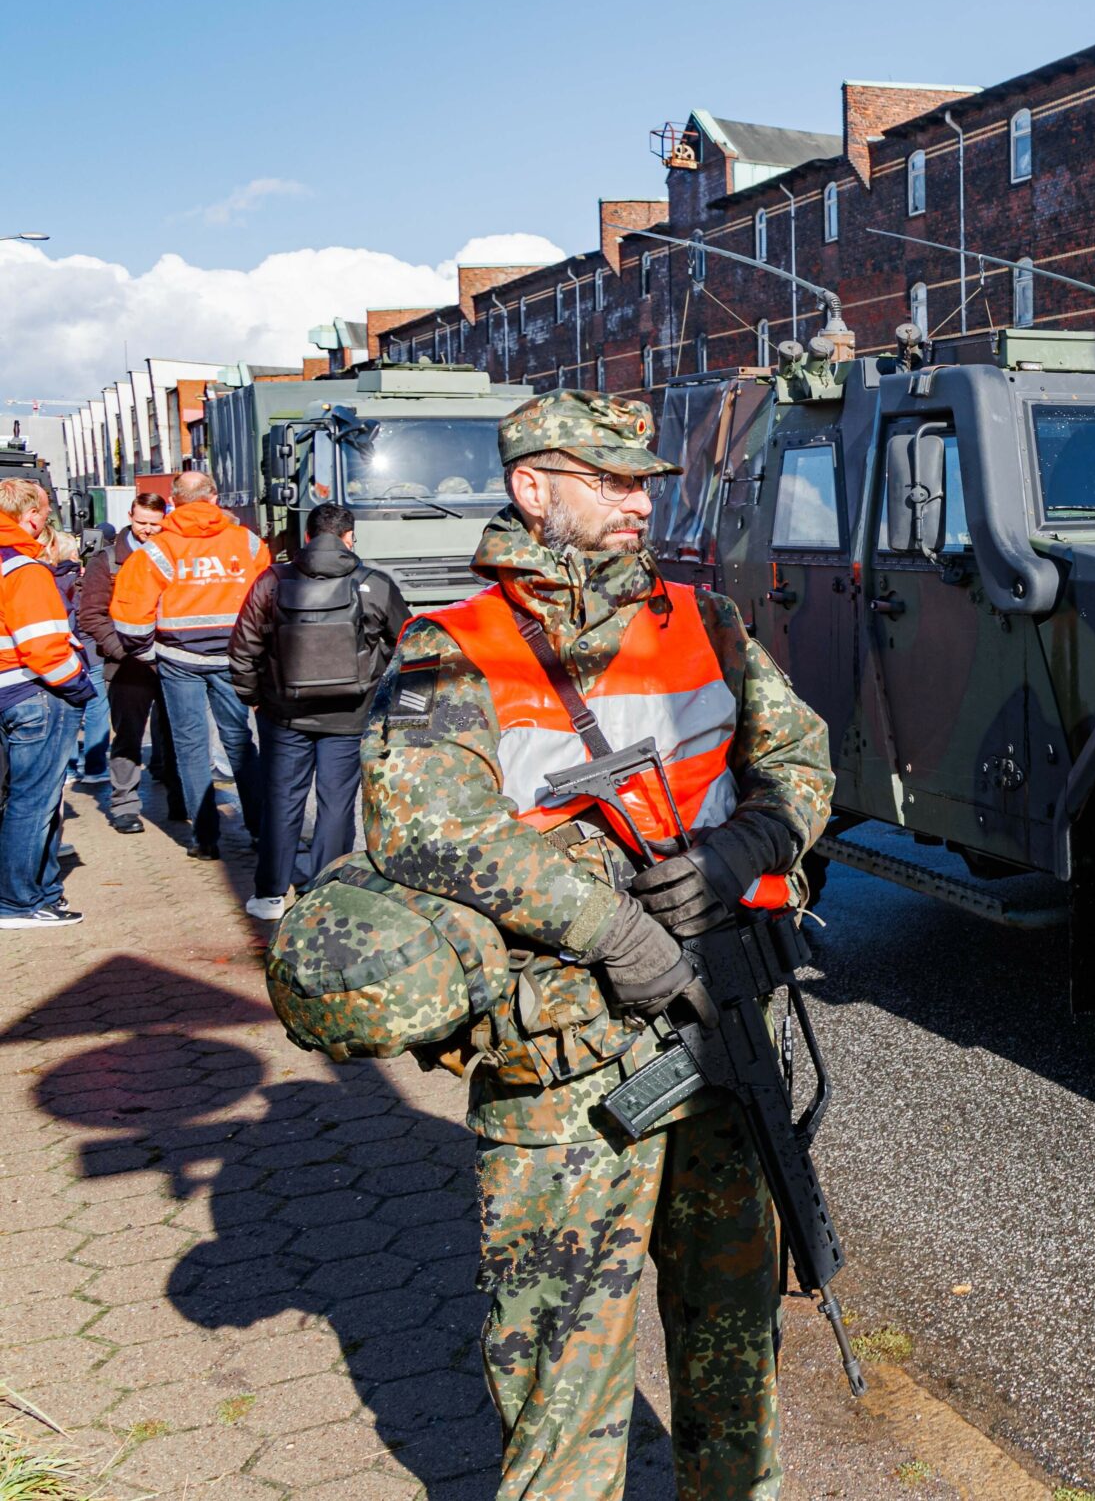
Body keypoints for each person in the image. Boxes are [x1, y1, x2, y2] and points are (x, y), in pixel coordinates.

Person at [356, 390, 830, 1498]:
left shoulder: (704, 620)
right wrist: (609, 927)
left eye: (642, 484)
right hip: (565, 1070)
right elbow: (422, 830)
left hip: (720, 1034)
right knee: (561, 1371)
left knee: (734, 1335)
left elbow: (799, 758)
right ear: (534, 489)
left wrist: (742, 847)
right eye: (609, 481)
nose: (636, 503)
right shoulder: (456, 647)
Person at [228, 503, 408, 921]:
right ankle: (327, 889)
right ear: (349, 537)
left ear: (308, 537)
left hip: (283, 715)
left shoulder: (272, 581)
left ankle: (271, 893)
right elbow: (407, 643)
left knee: (281, 800)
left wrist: (254, 696)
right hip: (350, 715)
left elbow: (243, 649)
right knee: (336, 804)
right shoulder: (374, 583)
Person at [109, 471, 267, 859]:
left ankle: (206, 839)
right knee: (240, 742)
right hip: (232, 657)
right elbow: (268, 600)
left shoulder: (157, 549)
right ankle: (262, 830)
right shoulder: (247, 542)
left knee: (190, 746)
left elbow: (130, 616)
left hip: (178, 660)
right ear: (214, 498)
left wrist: (149, 655)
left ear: (174, 502)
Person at [0, 479, 95, 927]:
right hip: (33, 694)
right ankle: (21, 900)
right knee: (33, 803)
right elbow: (44, 649)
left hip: (6, 690)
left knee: (16, 800)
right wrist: (78, 686)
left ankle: (31, 892)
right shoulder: (23, 568)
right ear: (32, 517)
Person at [76, 492, 178, 834]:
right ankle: (125, 803)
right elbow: (90, 614)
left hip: (170, 660)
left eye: (155, 524)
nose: (148, 530)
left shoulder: (175, 553)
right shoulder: (107, 560)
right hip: (127, 665)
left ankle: (179, 798)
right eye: (142, 523)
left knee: (176, 732)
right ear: (131, 517)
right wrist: (120, 649)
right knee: (129, 735)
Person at [48, 529, 109, 791]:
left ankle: (69, 767)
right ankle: (95, 768)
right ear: (72, 553)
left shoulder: (44, 580)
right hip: (90, 651)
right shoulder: (82, 580)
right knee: (96, 708)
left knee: (67, 708)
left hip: (62, 655)